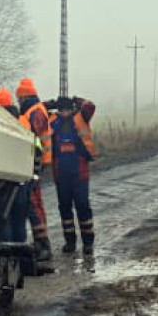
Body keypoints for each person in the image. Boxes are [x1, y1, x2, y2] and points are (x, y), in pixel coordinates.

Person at [46, 95, 98, 255]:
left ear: (72, 108)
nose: (65, 113)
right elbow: (37, 110)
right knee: (65, 208)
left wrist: (77, 100)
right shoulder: (52, 120)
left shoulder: (81, 116)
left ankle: (88, 243)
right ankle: (70, 242)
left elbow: (91, 106)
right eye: (62, 110)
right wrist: (50, 103)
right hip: (61, 172)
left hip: (79, 171)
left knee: (82, 206)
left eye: (68, 109)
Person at [16, 78, 54, 262]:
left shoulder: (35, 112)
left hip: (34, 163)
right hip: (35, 163)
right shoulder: (36, 110)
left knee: (33, 203)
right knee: (34, 202)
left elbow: (35, 139)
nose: (18, 102)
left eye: (19, 98)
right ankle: (42, 244)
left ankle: (43, 245)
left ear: (24, 97)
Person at [0, 88, 31, 247]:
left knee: (4, 219)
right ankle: (20, 255)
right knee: (19, 218)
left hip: (4, 182)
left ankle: (7, 256)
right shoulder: (23, 120)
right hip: (23, 180)